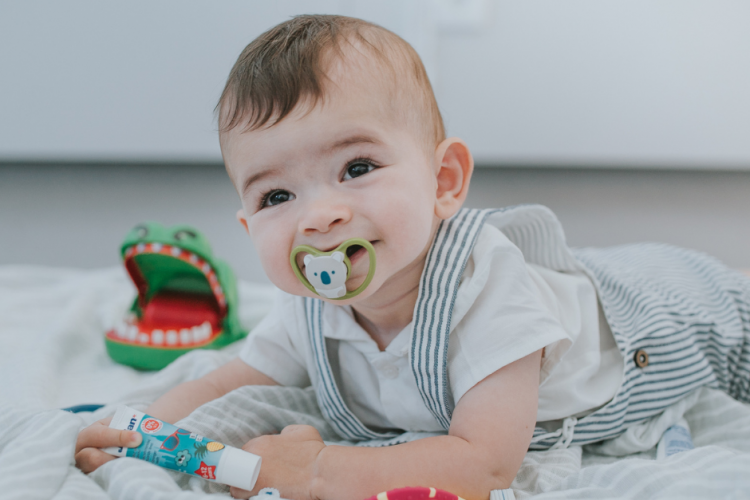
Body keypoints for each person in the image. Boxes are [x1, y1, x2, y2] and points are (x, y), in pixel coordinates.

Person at [74, 15, 750, 500]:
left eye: (357, 165)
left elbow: (483, 464)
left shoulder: (486, 291)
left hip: (686, 319)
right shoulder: (311, 303)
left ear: (444, 182)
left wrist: (314, 474)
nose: (320, 215)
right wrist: (142, 426)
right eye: (278, 194)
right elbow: (233, 376)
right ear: (249, 224)